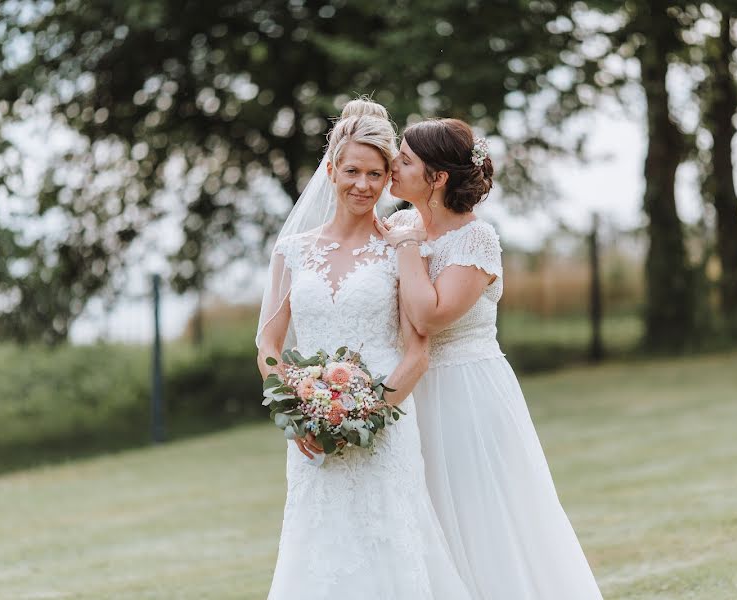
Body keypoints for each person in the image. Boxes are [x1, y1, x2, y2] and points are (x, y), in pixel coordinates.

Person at [256, 101, 475, 600]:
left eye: (376, 173)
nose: (363, 184)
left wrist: (362, 415)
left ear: (387, 177)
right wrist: (297, 416)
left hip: (386, 426)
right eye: (352, 170)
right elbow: (268, 342)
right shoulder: (292, 250)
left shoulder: (400, 246)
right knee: (318, 552)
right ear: (330, 168)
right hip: (308, 435)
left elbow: (417, 354)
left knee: (392, 547)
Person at [377, 117, 604, 599]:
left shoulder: (475, 240)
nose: (392, 165)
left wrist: (409, 248)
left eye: (405, 160)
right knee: (426, 512)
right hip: (411, 389)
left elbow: (428, 315)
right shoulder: (398, 223)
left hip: (467, 393)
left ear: (436, 178)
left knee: (482, 514)